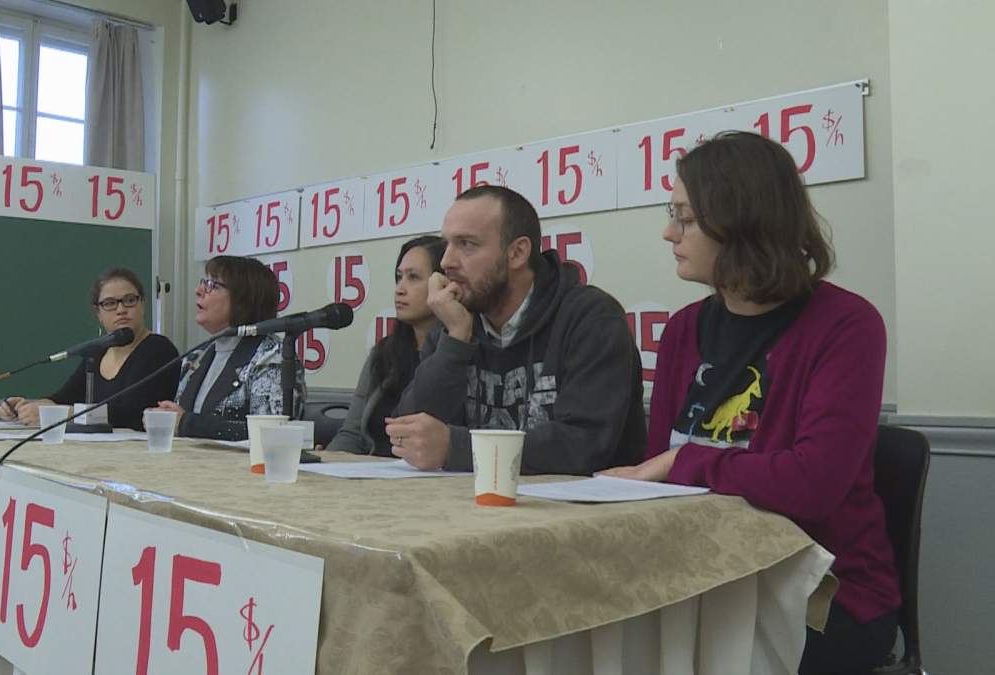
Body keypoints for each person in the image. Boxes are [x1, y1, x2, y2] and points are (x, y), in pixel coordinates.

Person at [601, 131, 900, 674]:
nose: (669, 232)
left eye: (685, 217)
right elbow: (654, 488)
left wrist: (682, 461)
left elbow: (811, 485)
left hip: (822, 596)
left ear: (741, 220)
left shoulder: (847, 326)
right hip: (700, 579)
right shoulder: (683, 330)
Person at [388, 185, 646, 475]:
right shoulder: (456, 321)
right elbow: (408, 434)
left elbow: (584, 444)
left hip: (578, 512)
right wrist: (455, 343)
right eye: (447, 244)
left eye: (467, 244)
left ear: (517, 252)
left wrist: (457, 448)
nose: (446, 261)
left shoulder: (590, 318)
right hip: (476, 507)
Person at [0, 267, 180, 430]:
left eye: (129, 300)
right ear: (98, 313)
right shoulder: (98, 351)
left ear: (143, 304)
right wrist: (27, 407)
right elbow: (64, 397)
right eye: (109, 303)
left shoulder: (158, 348)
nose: (121, 309)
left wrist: (67, 414)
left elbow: (131, 412)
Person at [155, 255, 305, 439]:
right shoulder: (196, 357)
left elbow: (270, 432)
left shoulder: (272, 356)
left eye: (213, 285)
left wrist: (186, 423)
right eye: (204, 283)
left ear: (244, 299)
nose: (198, 290)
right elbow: (182, 420)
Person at [326, 235, 445, 455]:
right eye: (399, 277)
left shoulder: (457, 353)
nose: (400, 289)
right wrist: (326, 463)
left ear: (444, 284)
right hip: (372, 479)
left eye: (414, 277)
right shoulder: (384, 353)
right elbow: (351, 435)